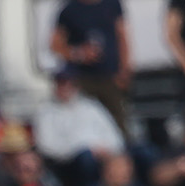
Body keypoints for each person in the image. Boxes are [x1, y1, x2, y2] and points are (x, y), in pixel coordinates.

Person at [33, 68, 125, 186]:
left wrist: (105, 150)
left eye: (70, 84)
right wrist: (81, 147)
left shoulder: (91, 107)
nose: (66, 88)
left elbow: (115, 136)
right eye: (62, 84)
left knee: (138, 153)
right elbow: (46, 146)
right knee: (86, 159)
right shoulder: (46, 111)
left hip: (102, 157)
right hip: (69, 163)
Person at [52, 0, 131, 129]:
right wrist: (79, 54)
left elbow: (122, 36)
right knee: (85, 123)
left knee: (117, 123)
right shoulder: (69, 10)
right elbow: (55, 45)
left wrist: (124, 69)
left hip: (110, 77)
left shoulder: (112, 4)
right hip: (82, 79)